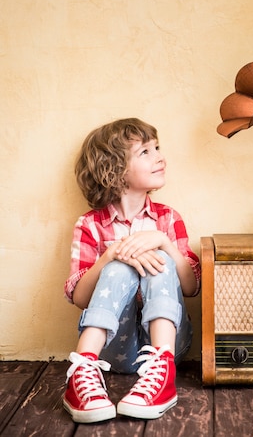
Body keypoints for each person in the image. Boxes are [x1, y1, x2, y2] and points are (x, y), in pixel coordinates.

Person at [63, 117, 201, 423]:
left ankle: (161, 372)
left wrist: (164, 242)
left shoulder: (168, 218)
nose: (160, 157)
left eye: (157, 148)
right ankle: (83, 368)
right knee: (118, 266)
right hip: (114, 350)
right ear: (115, 169)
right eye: (145, 152)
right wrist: (110, 256)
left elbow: (191, 287)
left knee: (158, 259)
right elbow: (80, 298)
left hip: (168, 345)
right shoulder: (90, 225)